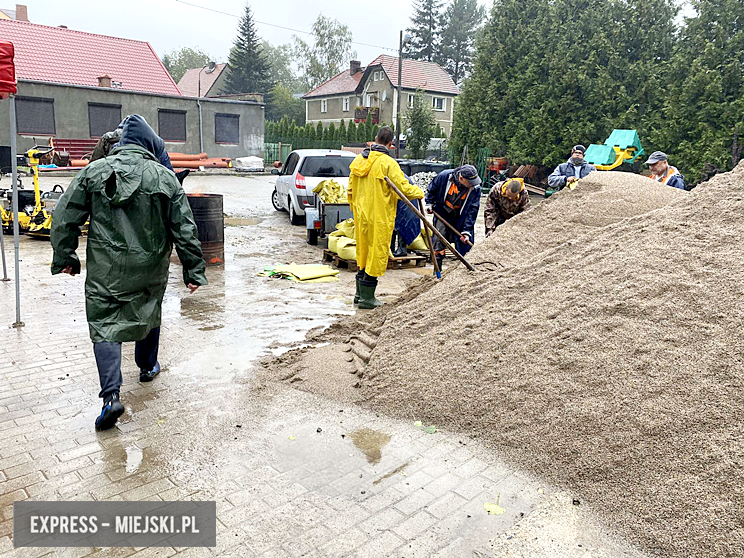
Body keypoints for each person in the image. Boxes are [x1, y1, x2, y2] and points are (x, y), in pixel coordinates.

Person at [50, 114, 207, 431]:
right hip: (149, 267)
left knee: (105, 325)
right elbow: (185, 228)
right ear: (149, 145)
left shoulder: (94, 172)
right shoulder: (165, 179)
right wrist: (193, 269)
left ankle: (111, 398)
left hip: (105, 270)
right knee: (148, 311)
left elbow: (64, 215)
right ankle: (147, 367)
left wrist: (65, 254)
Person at [348, 126, 424, 309]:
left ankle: (359, 294)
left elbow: (349, 190)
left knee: (363, 251)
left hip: (361, 215)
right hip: (379, 216)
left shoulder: (358, 161)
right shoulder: (388, 164)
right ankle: (367, 298)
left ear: (375, 139)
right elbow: (403, 188)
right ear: (391, 144)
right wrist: (419, 192)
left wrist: (356, 209)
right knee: (376, 253)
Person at [425, 164, 481, 270]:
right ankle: (437, 272)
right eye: (470, 182)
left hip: (461, 217)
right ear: (461, 178)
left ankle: (464, 271)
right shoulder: (444, 177)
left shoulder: (475, 189)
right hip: (443, 213)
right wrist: (429, 204)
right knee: (438, 240)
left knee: (465, 244)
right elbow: (431, 190)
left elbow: (472, 211)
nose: (472, 185)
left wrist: (466, 231)